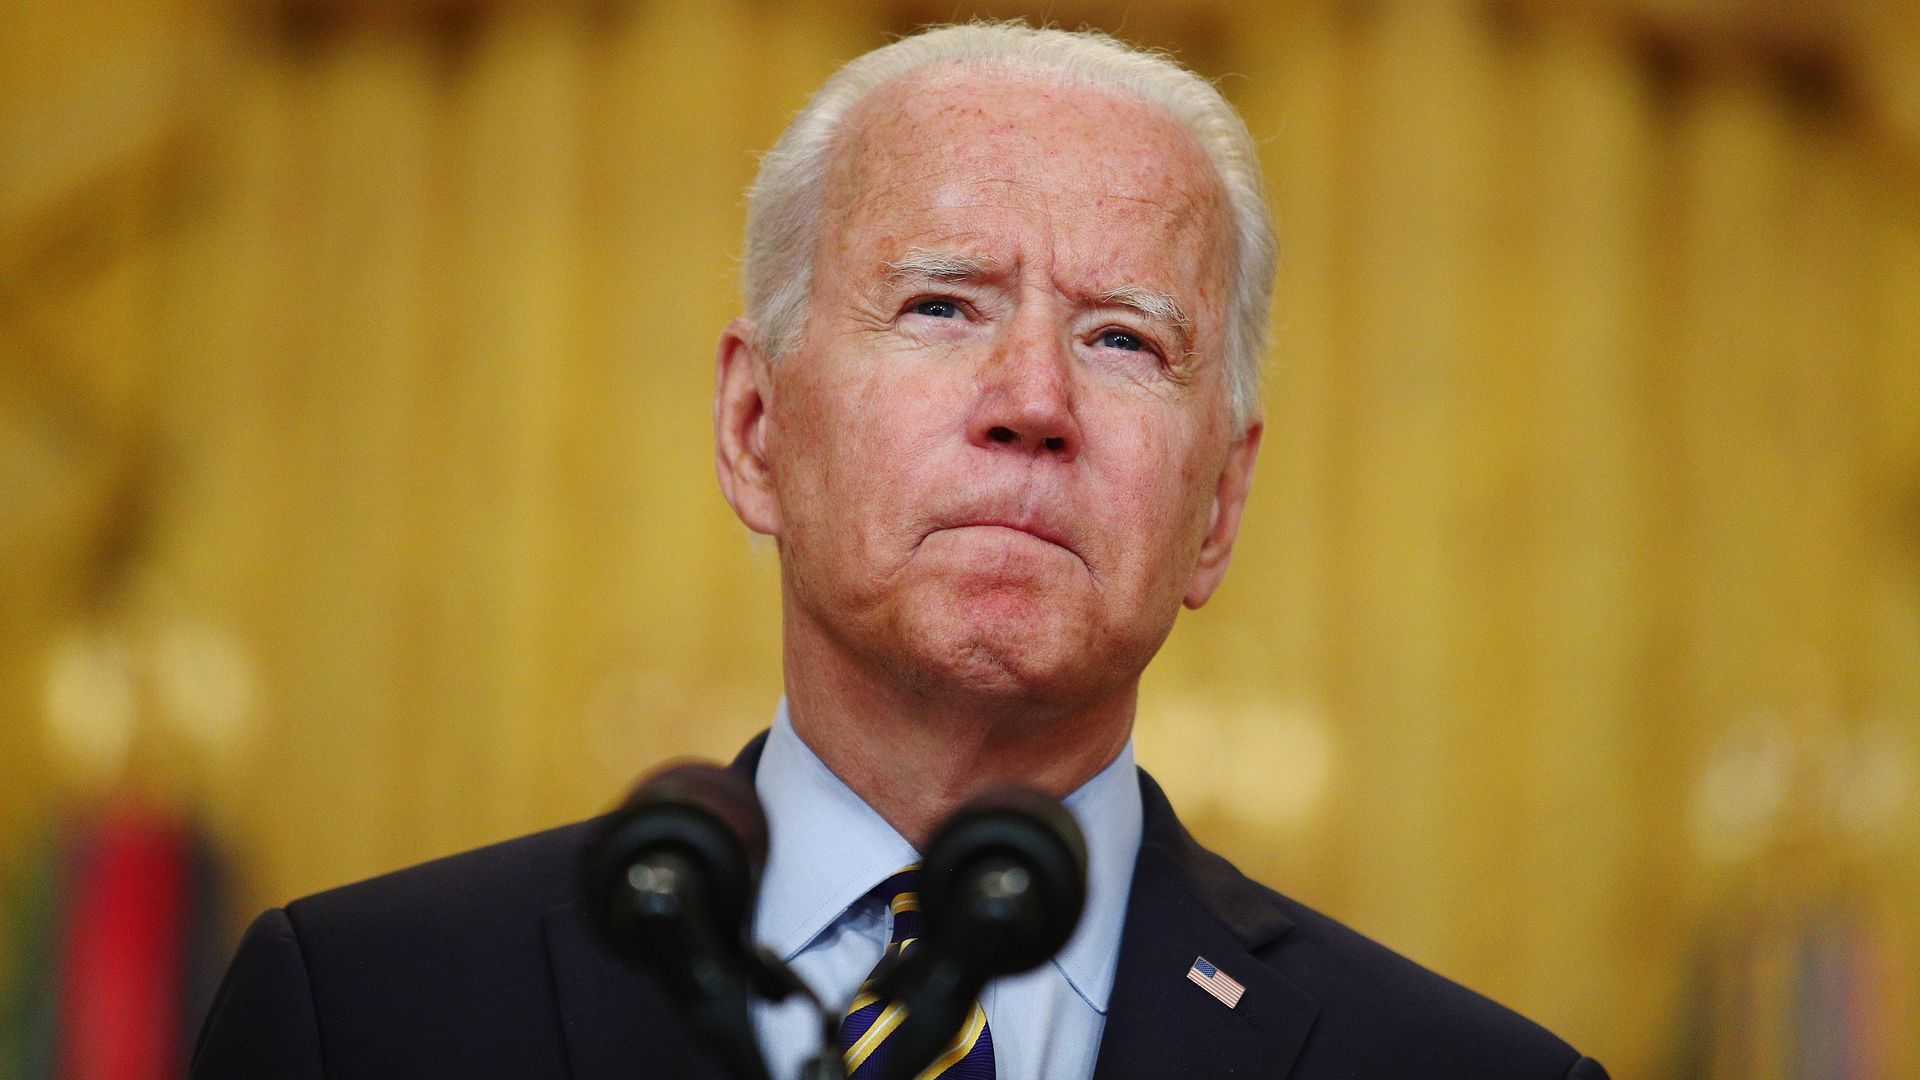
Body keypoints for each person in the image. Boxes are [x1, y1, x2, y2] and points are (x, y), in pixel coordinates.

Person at [192, 22, 1608, 1080]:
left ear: (1218, 508)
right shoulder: (366, 1013)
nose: (1035, 403)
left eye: (1124, 337)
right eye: (941, 305)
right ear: (755, 427)